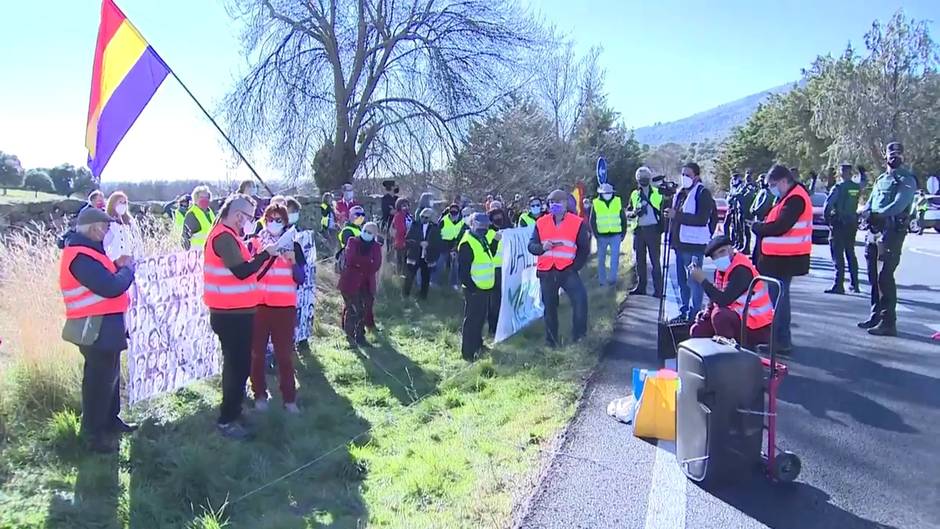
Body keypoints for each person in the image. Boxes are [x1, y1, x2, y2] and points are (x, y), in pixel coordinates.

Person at [59, 207, 136, 453]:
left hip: (104, 326)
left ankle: (110, 421)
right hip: (94, 328)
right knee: (98, 384)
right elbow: (110, 286)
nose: (107, 232)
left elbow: (103, 275)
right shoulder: (79, 256)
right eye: (105, 227)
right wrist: (127, 270)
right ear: (94, 228)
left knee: (110, 378)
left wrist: (117, 264)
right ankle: (93, 436)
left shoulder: (89, 251)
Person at [203, 194, 276, 440]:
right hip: (229, 315)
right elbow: (242, 271)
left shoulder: (231, 236)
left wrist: (267, 255)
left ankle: (234, 410)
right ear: (237, 216)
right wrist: (266, 254)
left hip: (238, 312)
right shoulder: (223, 237)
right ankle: (227, 419)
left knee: (240, 365)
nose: (250, 222)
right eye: (248, 217)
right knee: (236, 367)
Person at [247, 204, 306, 414]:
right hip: (259, 306)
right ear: (264, 220)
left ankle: (289, 399)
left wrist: (292, 263)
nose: (274, 223)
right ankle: (260, 395)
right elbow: (247, 272)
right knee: (257, 354)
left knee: (284, 355)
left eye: (278, 219)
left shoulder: (294, 245)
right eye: (270, 219)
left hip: (284, 308)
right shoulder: (254, 243)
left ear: (285, 222)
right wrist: (264, 254)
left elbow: (301, 278)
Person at [750, 165, 812, 355]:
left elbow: (781, 226)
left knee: (779, 302)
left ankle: (781, 340)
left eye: (773, 184)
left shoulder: (795, 198)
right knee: (778, 300)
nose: (771, 188)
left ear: (784, 181)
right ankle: (778, 339)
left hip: (786, 258)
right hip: (778, 258)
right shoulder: (786, 196)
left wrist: (758, 228)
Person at [858, 142, 917, 337]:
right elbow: (870, 201)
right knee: (873, 276)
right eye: (892, 153)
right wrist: (865, 213)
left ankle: (888, 321)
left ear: (903, 156)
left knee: (885, 277)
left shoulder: (906, 179)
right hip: (874, 231)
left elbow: (900, 203)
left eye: (898, 154)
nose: (895, 157)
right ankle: (875, 315)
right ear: (886, 156)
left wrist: (877, 213)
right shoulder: (881, 179)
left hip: (891, 233)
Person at [527, 189, 591, 347]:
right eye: (550, 203)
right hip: (546, 272)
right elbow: (531, 246)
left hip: (567, 270)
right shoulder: (541, 222)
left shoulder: (576, 223)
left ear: (565, 204)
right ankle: (551, 342)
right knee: (549, 308)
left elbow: (584, 249)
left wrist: (575, 266)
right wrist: (542, 247)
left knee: (580, 300)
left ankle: (579, 336)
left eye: (557, 202)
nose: (553, 205)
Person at [688, 235, 773, 347]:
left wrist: (703, 281)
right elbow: (715, 296)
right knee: (698, 329)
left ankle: (728, 354)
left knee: (719, 315)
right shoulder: (721, 270)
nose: (719, 257)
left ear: (731, 249)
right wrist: (706, 313)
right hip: (739, 316)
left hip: (756, 324)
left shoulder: (741, 270)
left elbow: (723, 300)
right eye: (715, 256)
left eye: (722, 252)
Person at [664, 162, 715, 321]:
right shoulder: (681, 193)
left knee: (694, 281)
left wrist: (676, 215)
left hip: (694, 246)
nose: (684, 178)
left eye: (688, 175)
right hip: (679, 245)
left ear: (697, 177)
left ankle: (695, 314)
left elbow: (703, 219)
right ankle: (684, 310)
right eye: (683, 174)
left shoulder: (703, 193)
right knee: (682, 281)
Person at [458, 213, 497, 360]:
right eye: (480, 226)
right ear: (472, 224)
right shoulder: (467, 243)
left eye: (486, 227)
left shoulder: (481, 238)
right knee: (472, 321)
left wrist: (495, 242)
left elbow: (488, 256)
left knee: (480, 319)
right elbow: (463, 272)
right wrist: (473, 289)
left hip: (485, 288)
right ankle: (468, 353)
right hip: (474, 289)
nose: (483, 229)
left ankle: (478, 345)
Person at [339, 222, 382, 347]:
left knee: (364, 310)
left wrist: (360, 264)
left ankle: (360, 337)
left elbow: (376, 265)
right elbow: (350, 258)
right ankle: (350, 336)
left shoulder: (376, 246)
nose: (367, 234)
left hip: (366, 284)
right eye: (365, 230)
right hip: (350, 282)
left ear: (374, 235)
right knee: (353, 309)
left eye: (370, 232)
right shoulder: (353, 241)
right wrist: (367, 262)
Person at [823, 163, 861, 294]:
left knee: (838, 255)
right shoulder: (856, 187)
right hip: (852, 223)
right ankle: (855, 284)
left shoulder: (838, 187)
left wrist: (828, 220)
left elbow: (828, 205)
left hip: (839, 224)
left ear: (841, 173)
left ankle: (838, 284)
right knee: (850, 253)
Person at [627, 167, 663, 297]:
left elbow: (664, 207)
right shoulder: (634, 194)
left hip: (653, 229)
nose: (643, 181)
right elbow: (628, 212)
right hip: (639, 230)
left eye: (645, 178)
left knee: (655, 261)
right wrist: (634, 213)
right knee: (639, 260)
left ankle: (658, 289)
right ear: (637, 180)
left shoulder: (658, 193)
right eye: (641, 179)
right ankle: (641, 286)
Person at [590, 182, 627, 287]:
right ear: (601, 193)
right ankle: (602, 281)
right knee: (601, 259)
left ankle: (612, 280)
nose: (607, 194)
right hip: (601, 236)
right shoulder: (596, 203)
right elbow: (592, 220)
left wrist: (623, 233)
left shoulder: (617, 201)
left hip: (616, 235)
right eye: (605, 193)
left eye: (609, 193)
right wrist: (596, 235)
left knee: (614, 259)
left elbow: (623, 218)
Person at [404, 208, 441, 299]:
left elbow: (438, 243)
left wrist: (429, 245)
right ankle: (405, 295)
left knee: (426, 277)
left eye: (426, 217)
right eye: (422, 217)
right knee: (409, 276)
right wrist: (419, 243)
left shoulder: (435, 228)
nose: (423, 219)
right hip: (414, 255)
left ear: (430, 218)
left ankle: (423, 296)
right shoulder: (415, 225)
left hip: (427, 257)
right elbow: (407, 240)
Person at [486, 205, 507, 335]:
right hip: (493, 270)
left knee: (501, 299)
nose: (498, 220)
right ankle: (492, 327)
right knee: (493, 300)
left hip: (505, 269)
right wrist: (496, 239)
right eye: (495, 218)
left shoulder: (507, 231)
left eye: (500, 217)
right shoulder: (488, 233)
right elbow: (489, 251)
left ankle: (501, 323)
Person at [103, 191, 142, 261]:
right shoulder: (107, 221)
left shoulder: (130, 221)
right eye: (120, 202)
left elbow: (137, 241)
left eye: (124, 203)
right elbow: (104, 243)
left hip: (129, 261)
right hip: (113, 261)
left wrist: (137, 256)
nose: (123, 205)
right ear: (113, 204)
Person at [436, 203, 465, 289]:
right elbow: (437, 232)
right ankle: (435, 282)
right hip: (443, 244)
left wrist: (456, 246)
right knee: (440, 263)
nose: (453, 214)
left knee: (455, 265)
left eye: (455, 212)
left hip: (455, 245)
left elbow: (463, 234)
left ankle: (454, 284)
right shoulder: (443, 220)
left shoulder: (462, 222)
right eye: (451, 212)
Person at [182, 185, 216, 250]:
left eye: (206, 197)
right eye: (201, 197)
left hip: (210, 251)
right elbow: (185, 237)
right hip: (197, 252)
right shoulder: (192, 214)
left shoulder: (210, 212)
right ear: (196, 198)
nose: (204, 199)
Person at [390, 197, 413, 275]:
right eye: (403, 205)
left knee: (406, 261)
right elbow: (400, 229)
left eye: (407, 205)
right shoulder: (398, 216)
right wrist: (408, 231)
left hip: (409, 242)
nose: (405, 207)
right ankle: (399, 276)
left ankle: (405, 275)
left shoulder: (409, 216)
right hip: (400, 242)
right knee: (400, 261)